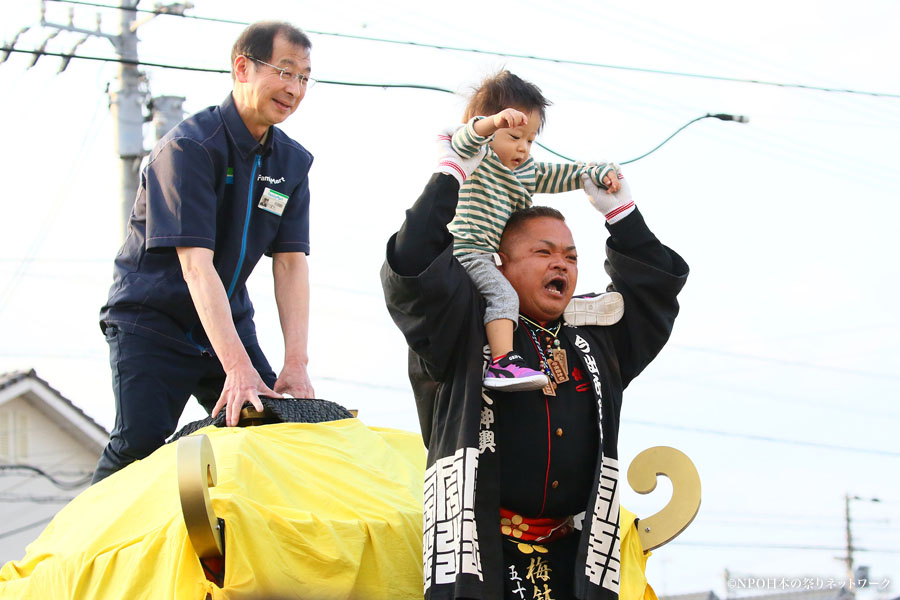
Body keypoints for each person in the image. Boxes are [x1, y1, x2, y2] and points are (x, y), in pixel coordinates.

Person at [381, 133, 688, 599]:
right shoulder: (462, 326)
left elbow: (653, 295)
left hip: (575, 557)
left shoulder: (594, 332)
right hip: (481, 555)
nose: (561, 265)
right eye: (543, 253)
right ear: (499, 266)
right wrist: (450, 175)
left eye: (570, 256)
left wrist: (621, 215)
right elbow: (413, 263)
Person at [93, 21, 316, 483]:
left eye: (305, 78)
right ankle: (68, 554)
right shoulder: (189, 147)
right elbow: (196, 266)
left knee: (266, 432)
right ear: (243, 68)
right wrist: (238, 369)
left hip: (226, 321)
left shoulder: (291, 162)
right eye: (285, 71)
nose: (294, 89)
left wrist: (295, 362)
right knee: (139, 444)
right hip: (153, 323)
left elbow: (291, 263)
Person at [447, 70, 626, 392]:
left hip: (494, 257)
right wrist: (491, 124)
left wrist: (601, 172)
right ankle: (503, 363)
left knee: (515, 291)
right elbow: (462, 137)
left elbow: (566, 173)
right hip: (467, 250)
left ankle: (543, 327)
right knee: (503, 295)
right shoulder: (478, 156)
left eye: (530, 140)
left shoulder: (526, 171)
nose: (523, 148)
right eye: (514, 137)